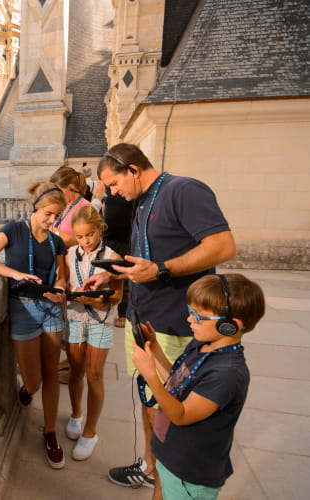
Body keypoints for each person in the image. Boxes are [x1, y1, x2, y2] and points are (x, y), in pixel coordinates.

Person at [82, 143, 236, 498]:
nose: (113, 194)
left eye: (114, 184)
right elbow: (148, 259)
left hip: (175, 324)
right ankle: (151, 469)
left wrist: (162, 270)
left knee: (165, 413)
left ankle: (164, 480)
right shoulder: (142, 200)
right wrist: (115, 275)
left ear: (133, 170)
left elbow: (223, 246)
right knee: (150, 406)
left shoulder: (183, 189)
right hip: (147, 322)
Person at [132, 273, 265, 499]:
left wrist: (150, 377)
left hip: (190, 472)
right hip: (172, 455)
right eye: (190, 312)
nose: (189, 320)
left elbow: (182, 415)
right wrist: (154, 349)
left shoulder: (227, 374)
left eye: (198, 316)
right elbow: (176, 379)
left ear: (229, 326)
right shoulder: (201, 344)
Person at [0, 182, 68, 469]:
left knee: (51, 375)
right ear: (36, 208)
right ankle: (28, 390)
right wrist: (16, 273)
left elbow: (63, 279)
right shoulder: (13, 230)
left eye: (57, 216)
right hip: (23, 308)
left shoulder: (57, 242)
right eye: (49, 214)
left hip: (51, 310)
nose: (52, 221)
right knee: (34, 381)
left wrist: (59, 289)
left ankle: (50, 433)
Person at [63, 205, 122, 460]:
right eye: (79, 236)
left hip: (101, 320)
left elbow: (118, 295)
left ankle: (90, 432)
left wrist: (101, 301)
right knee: (75, 371)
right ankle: (76, 415)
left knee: (94, 375)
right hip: (76, 317)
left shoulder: (113, 256)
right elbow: (63, 283)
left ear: (100, 229)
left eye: (89, 234)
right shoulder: (68, 255)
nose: (85, 241)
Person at [102, 185, 135, 328]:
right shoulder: (109, 188)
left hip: (126, 238)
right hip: (109, 237)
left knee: (124, 276)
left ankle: (123, 313)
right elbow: (104, 205)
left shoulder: (129, 187)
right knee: (106, 272)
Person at [49, 167, 92, 247]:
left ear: (71, 188)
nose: (56, 195)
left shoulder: (85, 208)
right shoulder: (64, 205)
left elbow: (85, 242)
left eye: (58, 191)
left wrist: (54, 232)